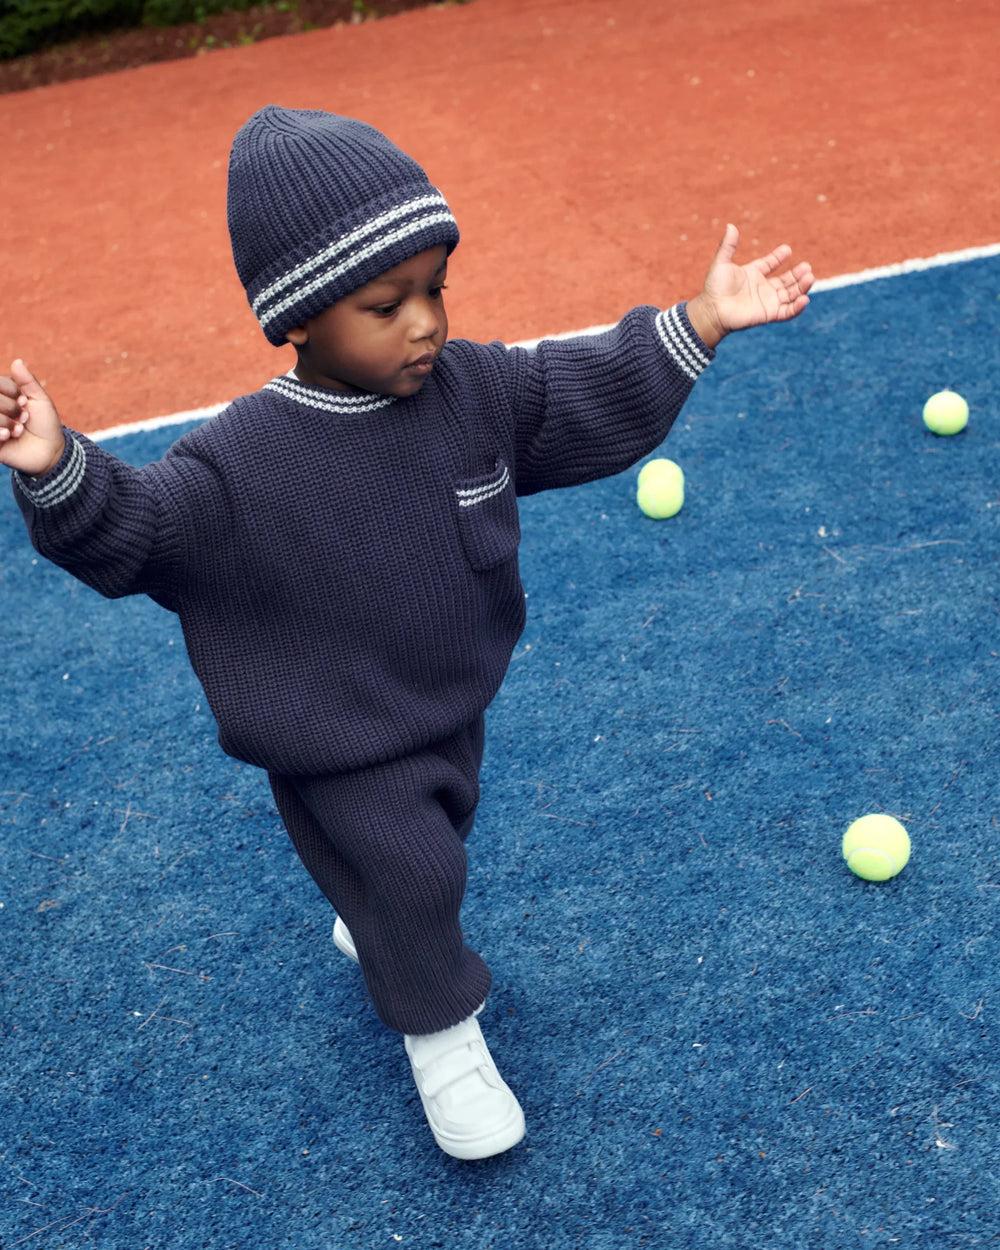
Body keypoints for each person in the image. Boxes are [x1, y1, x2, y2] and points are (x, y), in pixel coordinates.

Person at [0, 106, 813, 1161]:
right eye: (386, 305)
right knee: (419, 874)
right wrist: (58, 466)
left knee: (436, 841)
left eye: (437, 287)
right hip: (335, 733)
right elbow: (141, 531)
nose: (425, 322)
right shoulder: (240, 462)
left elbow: (575, 391)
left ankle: (381, 917)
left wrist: (696, 323)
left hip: (446, 700)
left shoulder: (471, 389)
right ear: (297, 319)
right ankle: (441, 1034)